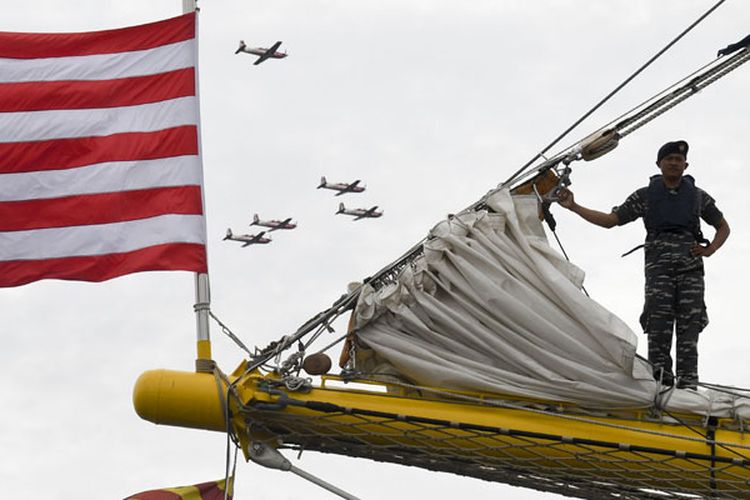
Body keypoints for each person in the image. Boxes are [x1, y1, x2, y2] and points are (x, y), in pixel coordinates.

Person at [556, 140, 730, 389]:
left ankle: (689, 387)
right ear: (659, 164)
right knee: (658, 326)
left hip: (690, 269)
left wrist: (710, 249)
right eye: (668, 159)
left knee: (689, 328)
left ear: (686, 165)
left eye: (678, 160)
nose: (673, 163)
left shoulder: (697, 197)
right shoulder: (646, 196)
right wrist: (573, 206)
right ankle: (659, 386)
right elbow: (611, 220)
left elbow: (723, 227)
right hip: (659, 271)